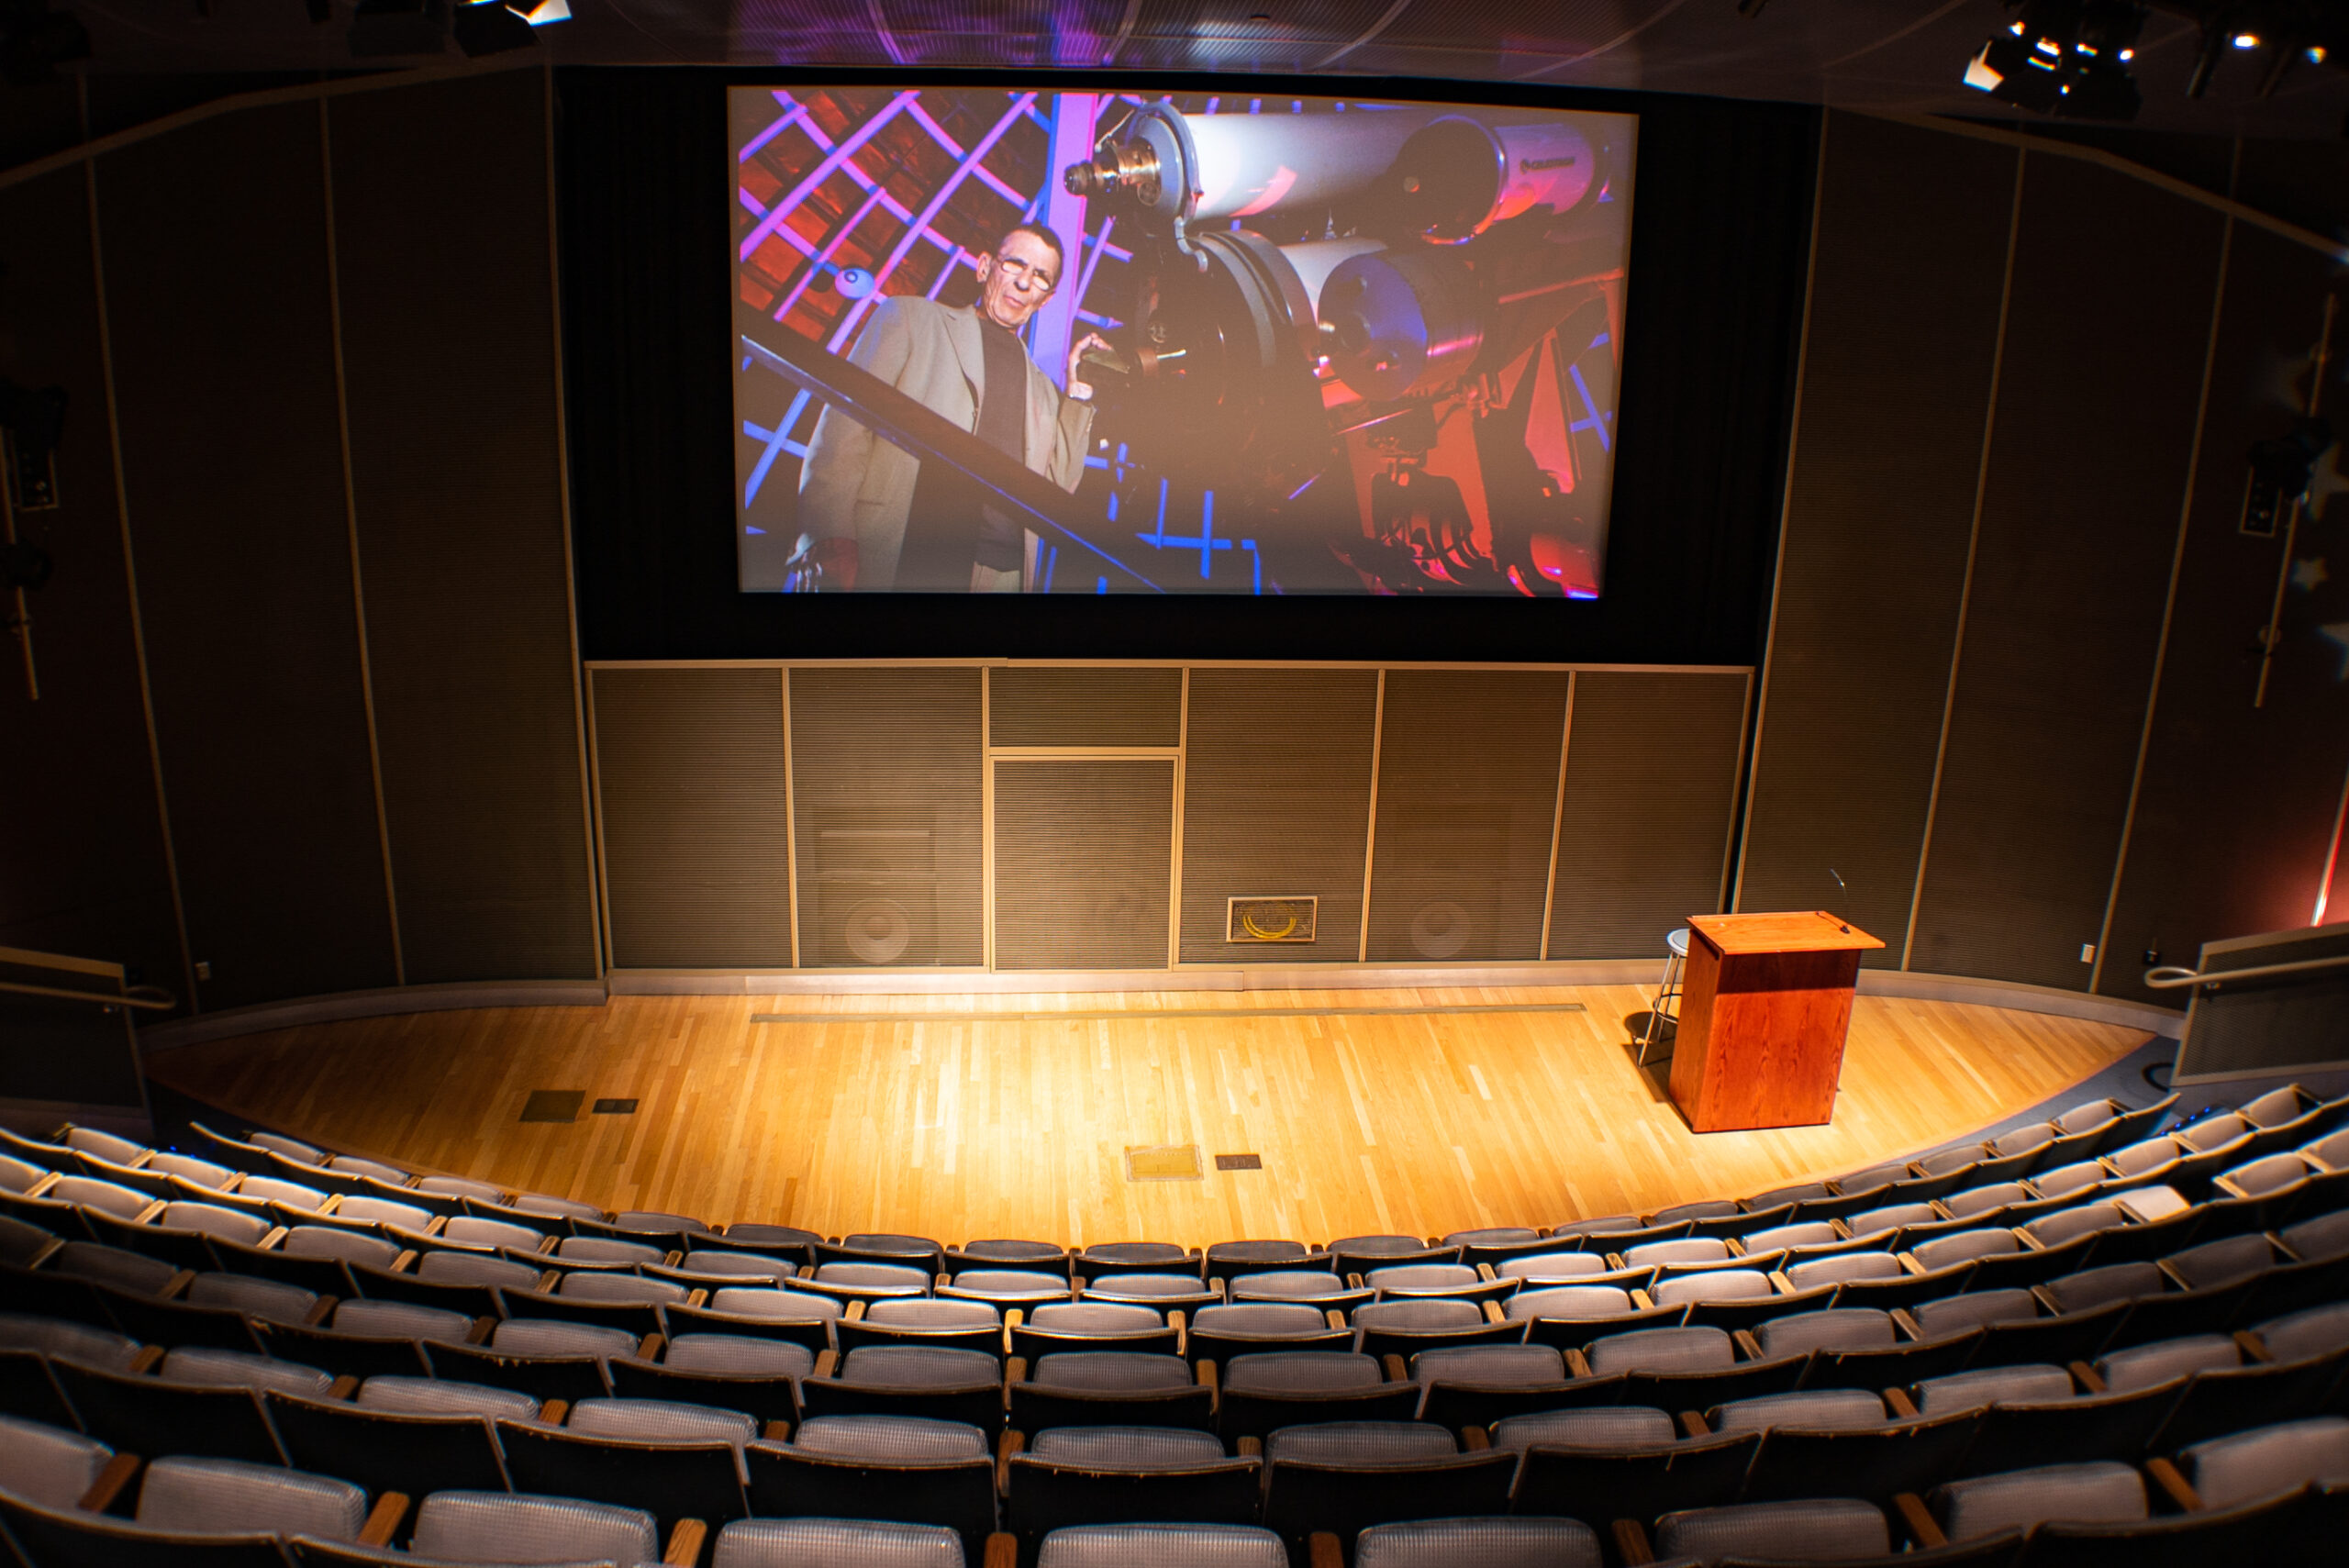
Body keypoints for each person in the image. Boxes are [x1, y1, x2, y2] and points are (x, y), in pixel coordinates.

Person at [789, 224, 1110, 591]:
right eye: (1015, 264)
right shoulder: (909, 318)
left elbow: (1056, 490)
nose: (1024, 282)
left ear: (1047, 298)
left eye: (1040, 276)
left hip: (1003, 575)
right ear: (984, 267)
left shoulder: (1046, 392)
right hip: (906, 552)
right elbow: (844, 427)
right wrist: (829, 534)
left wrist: (1078, 389)